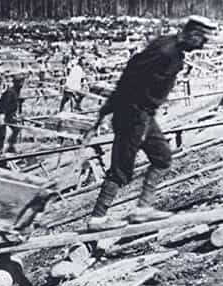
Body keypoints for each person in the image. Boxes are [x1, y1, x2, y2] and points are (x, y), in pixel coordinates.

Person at [86, 16, 217, 231]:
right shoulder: (165, 51)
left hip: (145, 115)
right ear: (193, 34)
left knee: (162, 157)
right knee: (121, 168)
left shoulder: (172, 50)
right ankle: (97, 219)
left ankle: (142, 210)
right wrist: (110, 107)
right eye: (202, 39)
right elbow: (130, 75)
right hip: (132, 114)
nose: (203, 45)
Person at [0, 72, 26, 157]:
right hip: (2, 114)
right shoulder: (10, 92)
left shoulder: (17, 91)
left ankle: (11, 146)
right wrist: (2, 116)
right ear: (16, 83)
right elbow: (3, 104)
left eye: (22, 82)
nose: (22, 84)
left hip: (9, 115)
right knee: (2, 134)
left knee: (17, 128)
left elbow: (14, 104)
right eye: (20, 82)